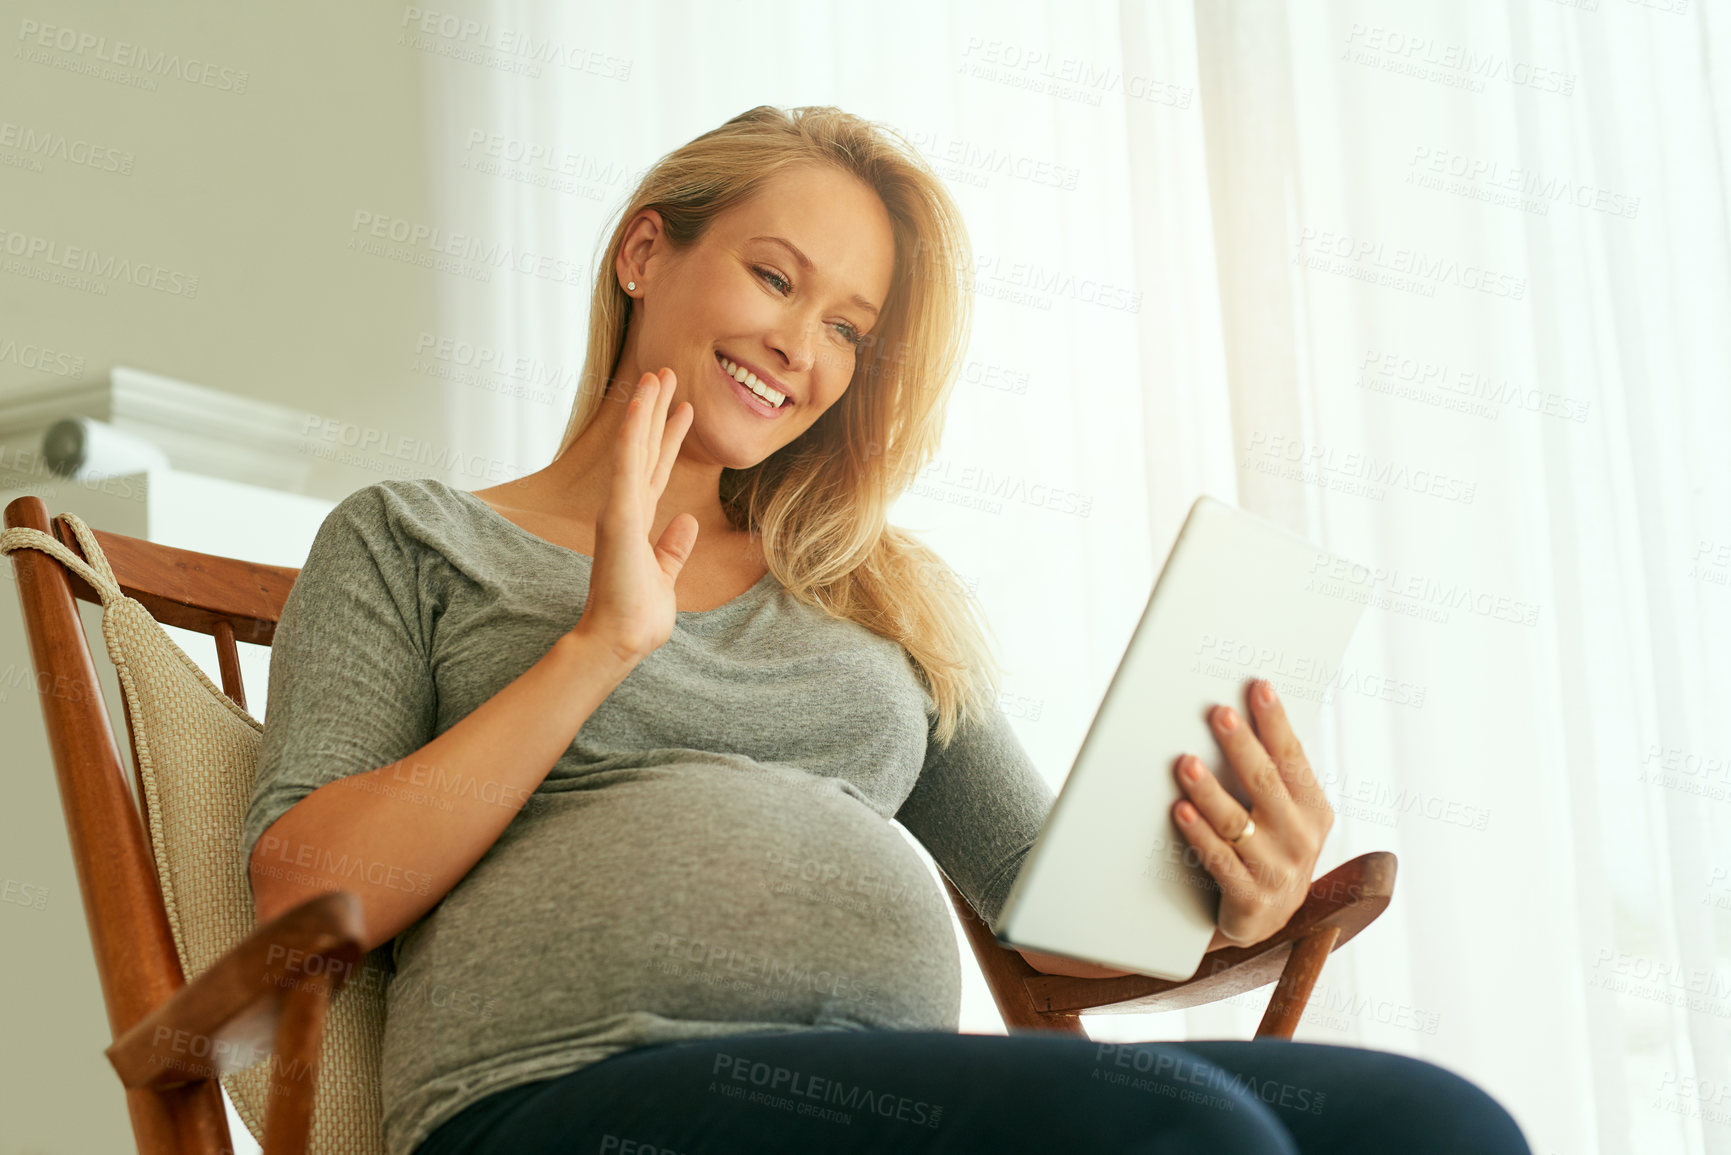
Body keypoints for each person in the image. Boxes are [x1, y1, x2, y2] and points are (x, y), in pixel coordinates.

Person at [242, 105, 1531, 1155]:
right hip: (559, 1096)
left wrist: (1230, 896)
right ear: (645, 253)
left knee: (1436, 1128)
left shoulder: (869, 590)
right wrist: (600, 647)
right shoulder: (411, 540)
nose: (800, 346)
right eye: (773, 276)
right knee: (1187, 1137)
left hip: (883, 1094)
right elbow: (303, 900)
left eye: (849, 329)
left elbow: (1047, 911)